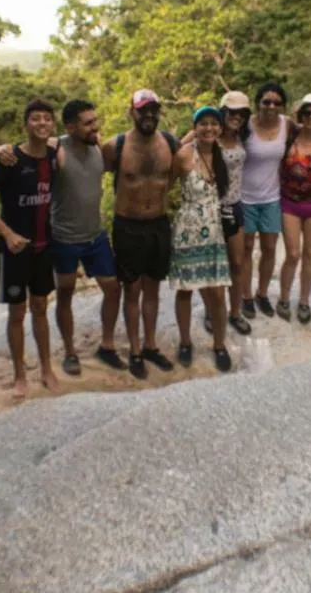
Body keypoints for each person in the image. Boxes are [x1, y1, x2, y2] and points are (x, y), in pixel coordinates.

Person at [0, 99, 129, 373]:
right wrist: (2, 149)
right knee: (65, 294)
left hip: (95, 236)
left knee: (113, 288)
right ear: (69, 127)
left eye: (95, 120)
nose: (95, 126)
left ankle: (107, 345)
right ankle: (69, 352)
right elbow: (31, 147)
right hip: (64, 238)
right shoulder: (57, 149)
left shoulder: (98, 149)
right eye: (88, 123)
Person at [0, 99, 61, 399]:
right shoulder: (10, 160)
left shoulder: (53, 155)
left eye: (47, 119)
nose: (42, 123)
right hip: (14, 249)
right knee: (17, 311)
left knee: (40, 308)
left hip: (43, 246)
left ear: (53, 125)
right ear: (26, 124)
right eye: (35, 119)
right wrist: (7, 233)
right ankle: (19, 375)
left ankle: (47, 370)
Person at [102, 88, 181, 380]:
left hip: (159, 224)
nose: (149, 115)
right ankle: (134, 349)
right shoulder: (116, 146)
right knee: (132, 289)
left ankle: (150, 345)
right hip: (128, 225)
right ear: (131, 111)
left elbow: (202, 146)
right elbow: (81, 154)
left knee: (153, 288)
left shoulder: (170, 144)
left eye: (153, 110)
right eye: (143, 109)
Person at [181, 90, 254, 337]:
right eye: (231, 112)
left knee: (237, 262)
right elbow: (181, 151)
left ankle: (235, 311)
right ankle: (213, 311)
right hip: (209, 208)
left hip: (235, 205)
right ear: (223, 112)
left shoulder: (243, 135)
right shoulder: (209, 132)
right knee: (214, 266)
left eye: (242, 112)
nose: (237, 117)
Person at [169, 106, 235, 372]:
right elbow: (166, 185)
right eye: (203, 124)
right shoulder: (184, 155)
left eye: (213, 124)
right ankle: (185, 342)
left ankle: (219, 344)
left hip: (213, 232)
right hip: (187, 230)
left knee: (217, 293)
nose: (208, 128)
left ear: (220, 128)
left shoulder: (222, 157)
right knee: (185, 290)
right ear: (195, 128)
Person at [277, 93, 311, 324]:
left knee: (310, 255)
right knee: (292, 254)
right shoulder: (290, 137)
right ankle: (283, 298)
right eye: (307, 112)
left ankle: (304, 301)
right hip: (289, 203)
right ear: (301, 115)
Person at [240, 82, 295, 319]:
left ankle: (262, 293)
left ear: (282, 106)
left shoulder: (287, 125)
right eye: (266, 101)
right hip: (244, 198)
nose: (271, 106)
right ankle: (246, 296)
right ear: (258, 103)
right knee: (246, 249)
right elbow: (217, 131)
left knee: (270, 248)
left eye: (277, 102)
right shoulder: (246, 125)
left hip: (272, 197)